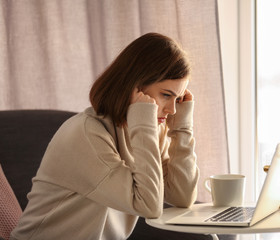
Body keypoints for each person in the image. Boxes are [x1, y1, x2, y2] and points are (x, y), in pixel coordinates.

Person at [10, 32, 199, 240]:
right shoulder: (86, 134)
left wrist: (181, 127)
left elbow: (182, 197)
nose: (172, 110)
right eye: (166, 95)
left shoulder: (148, 129)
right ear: (134, 87)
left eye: (179, 99)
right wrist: (144, 123)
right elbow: (149, 206)